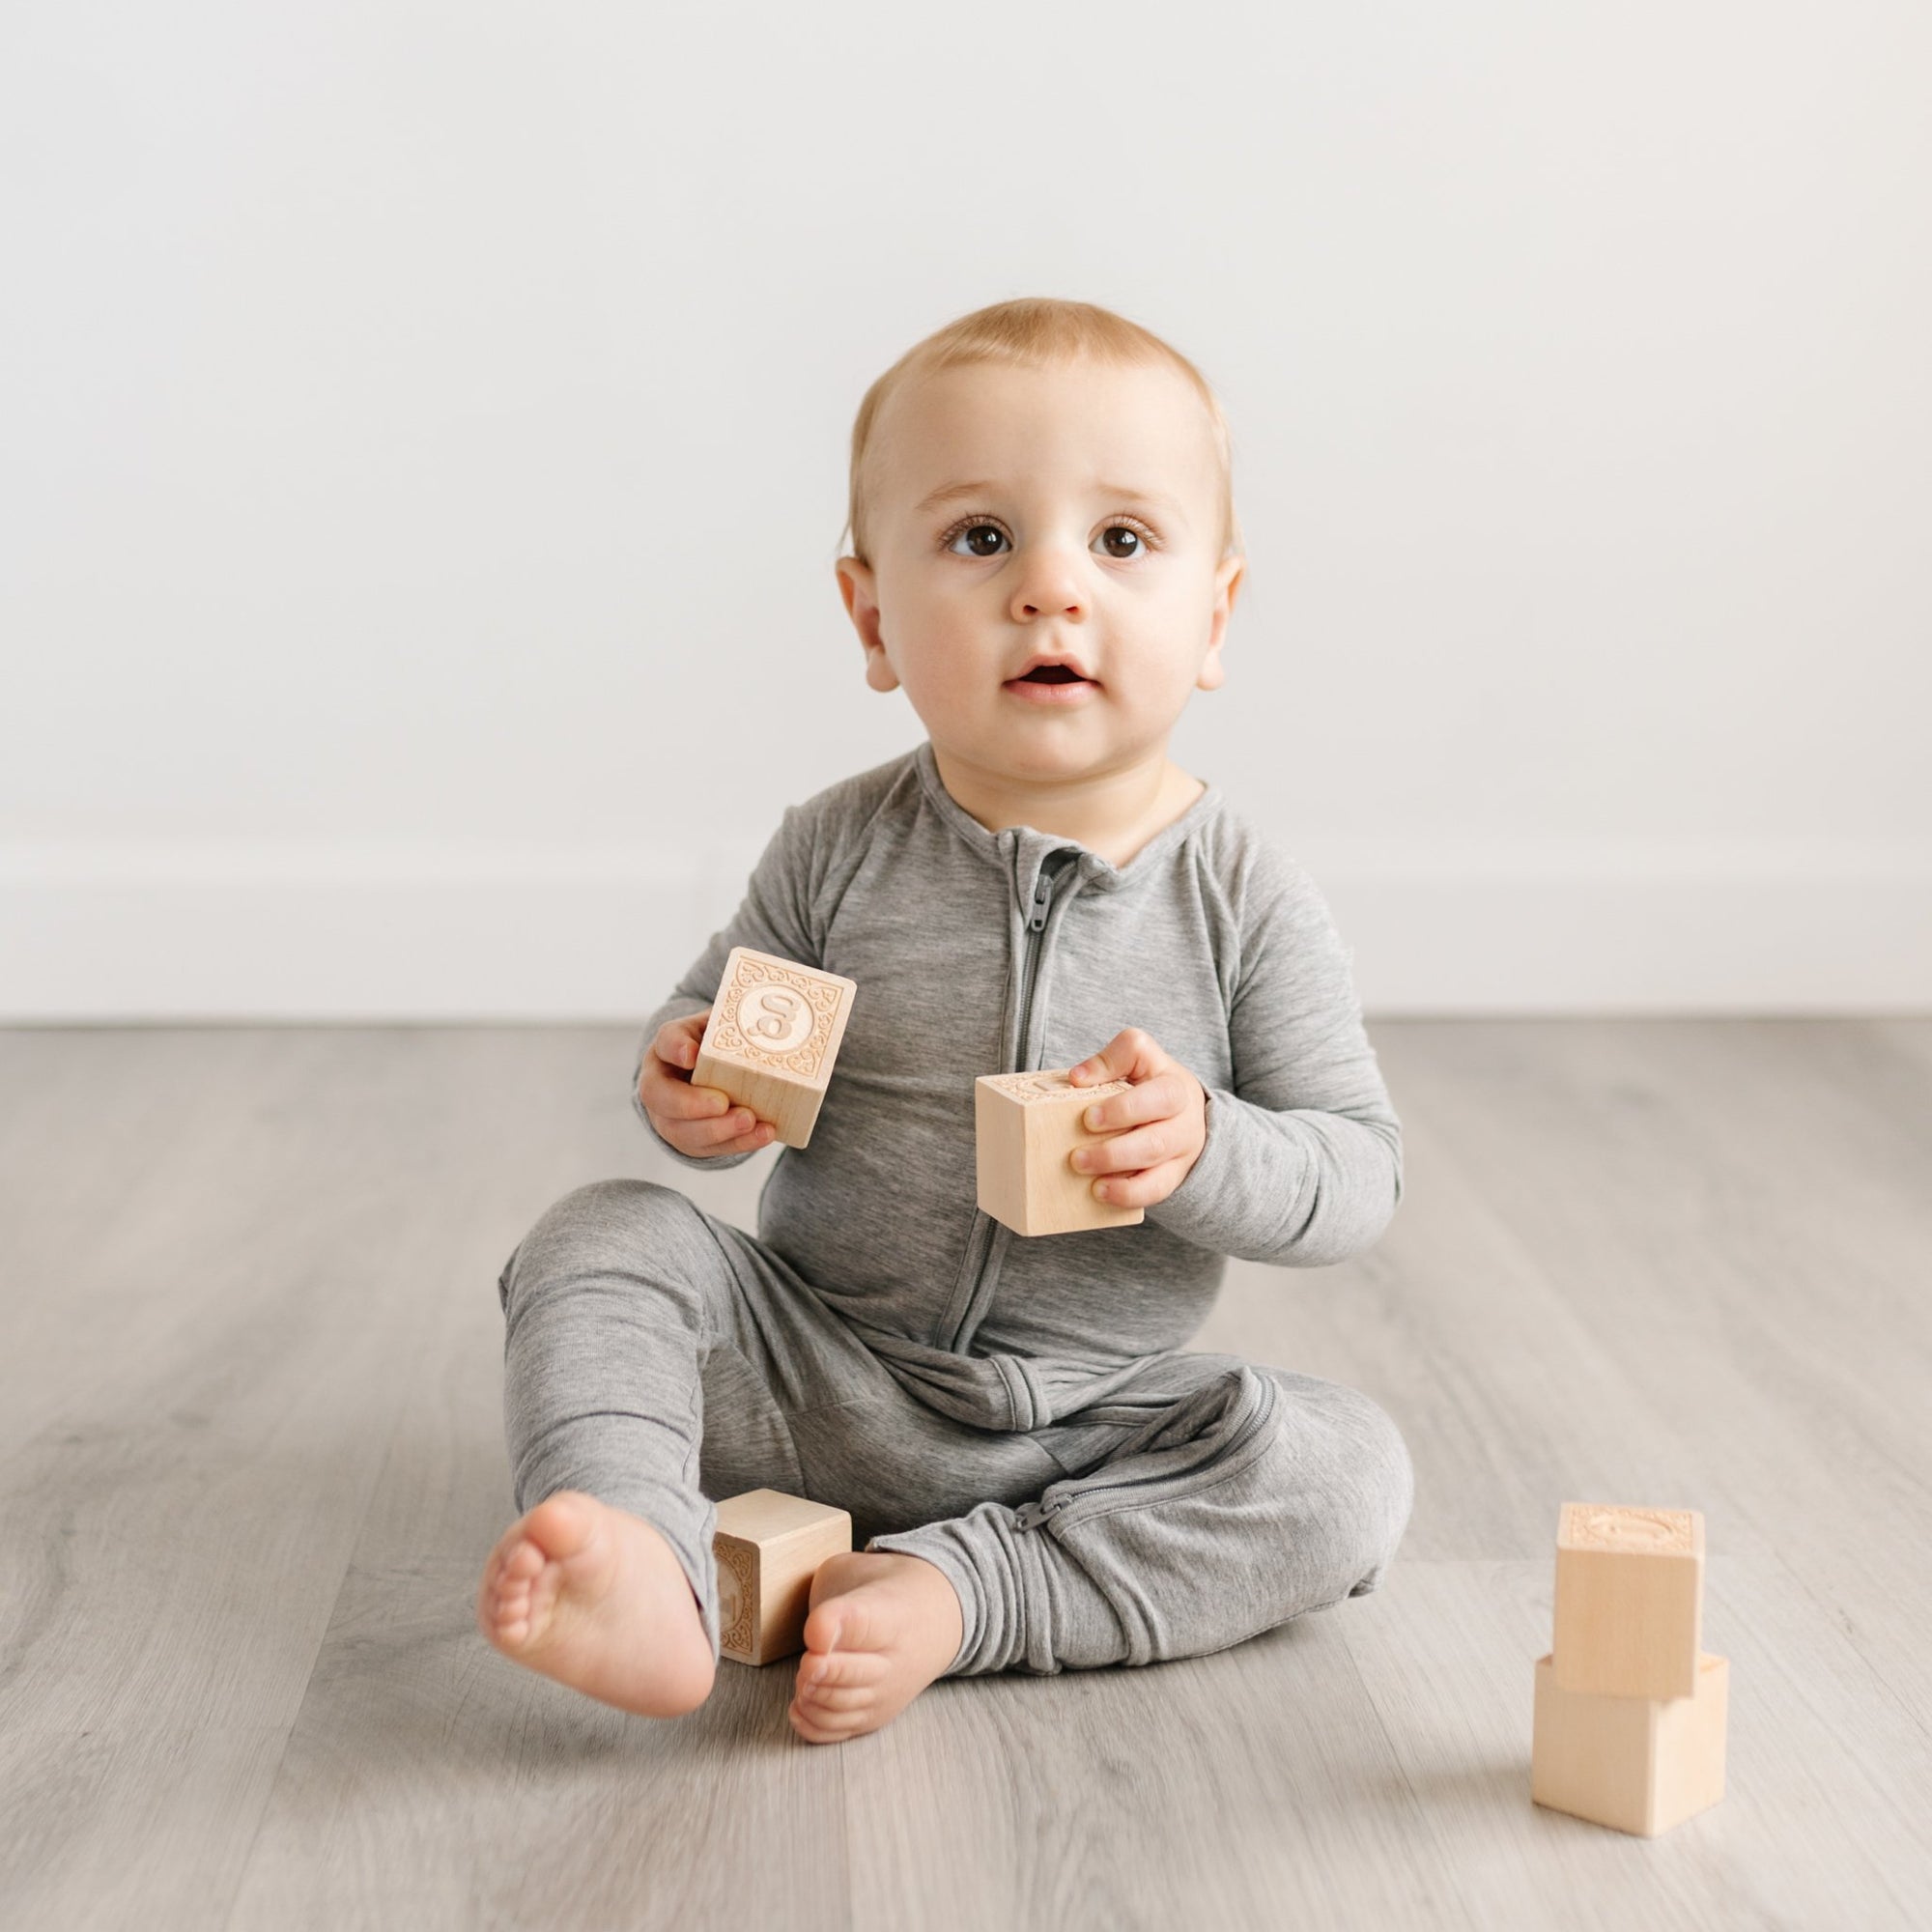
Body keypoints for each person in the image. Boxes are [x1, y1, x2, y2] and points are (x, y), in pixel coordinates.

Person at [475, 296, 1415, 1745]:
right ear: (870, 617)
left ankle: (969, 1595)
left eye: (1120, 542)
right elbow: (719, 1040)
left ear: (1214, 616)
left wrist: (1206, 1146)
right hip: (815, 1370)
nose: (1051, 591)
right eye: (982, 539)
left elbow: (1358, 1174)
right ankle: (646, 1557)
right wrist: (689, 1086)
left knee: (1350, 1474)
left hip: (1094, 1426)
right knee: (602, 1237)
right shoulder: (834, 849)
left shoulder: (1244, 897)